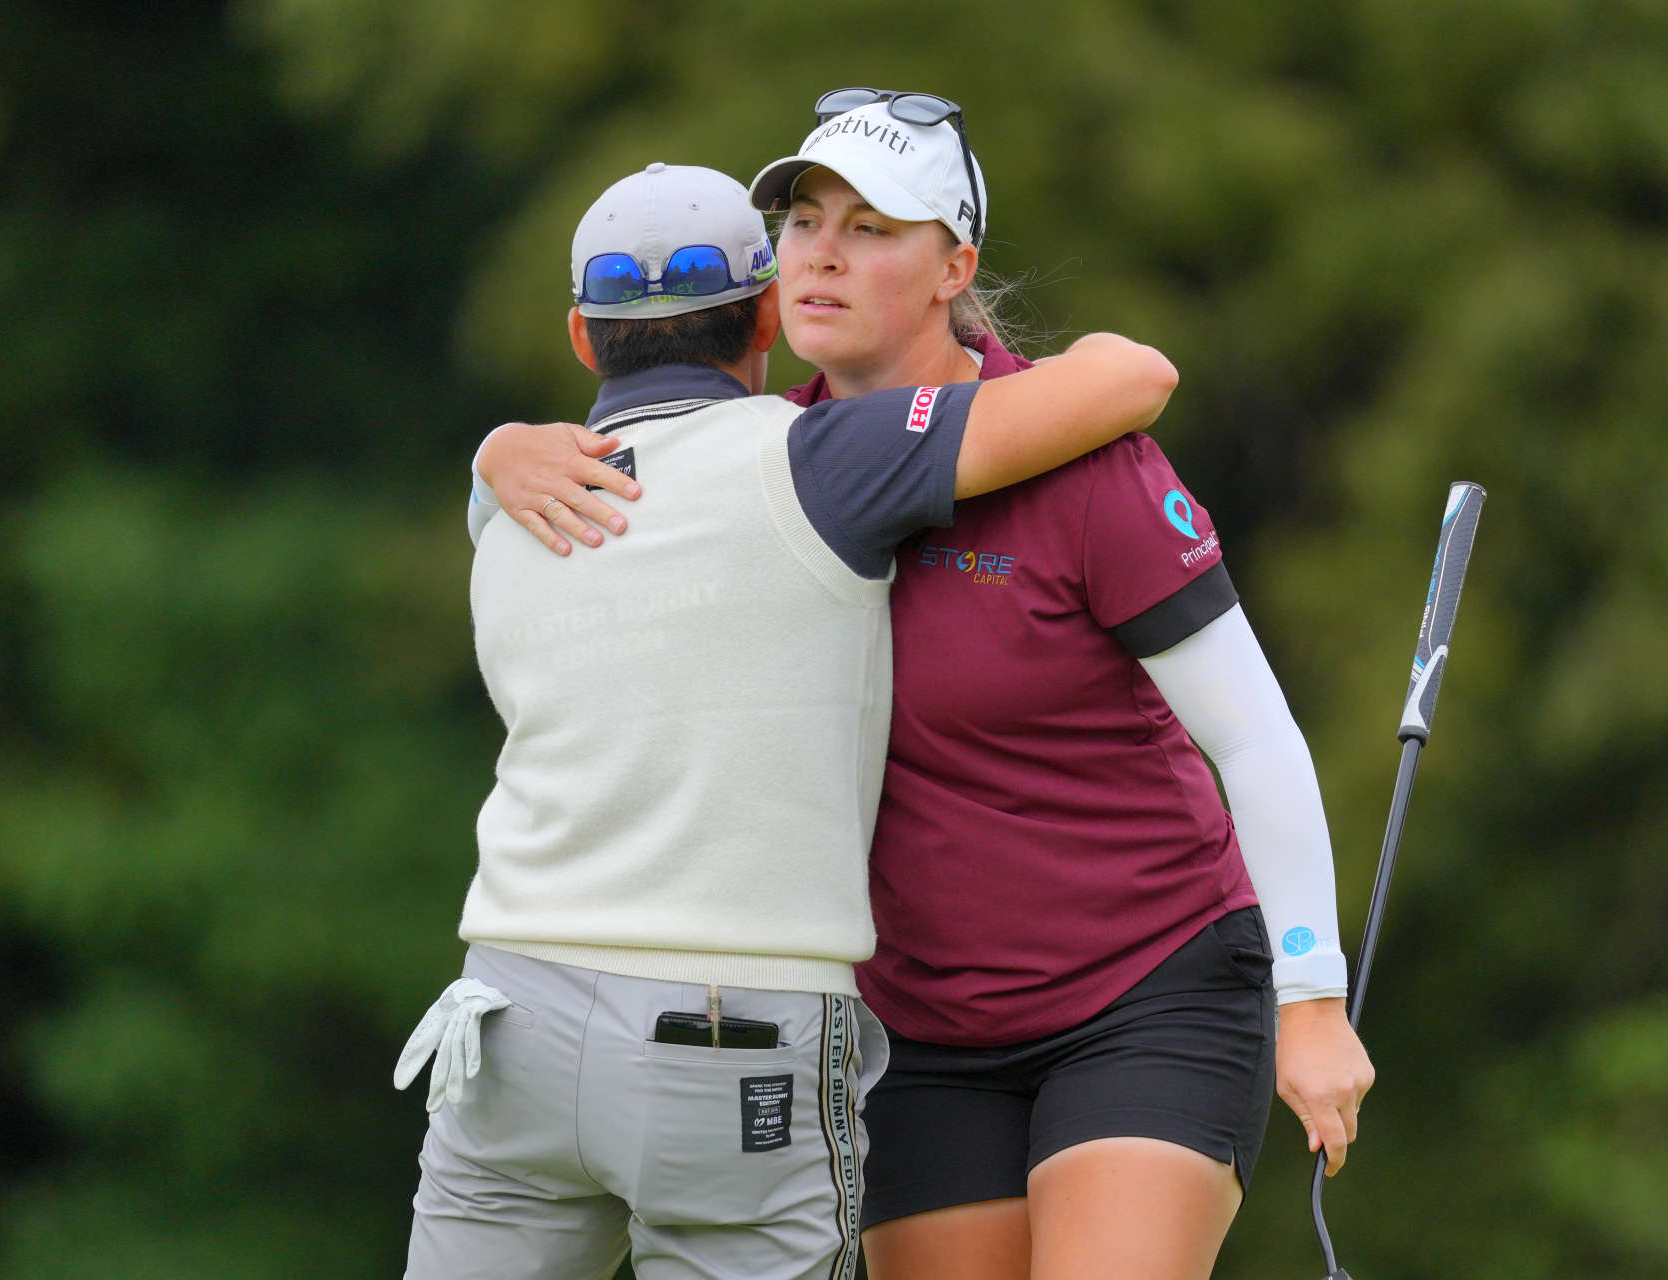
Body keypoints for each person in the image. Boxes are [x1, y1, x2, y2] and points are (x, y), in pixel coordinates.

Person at [473, 90, 1374, 1280]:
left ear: (957, 264)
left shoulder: (1085, 461)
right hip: (916, 1032)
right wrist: (498, 454)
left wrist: (1311, 993)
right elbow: (580, 524)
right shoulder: (759, 464)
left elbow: (1254, 738)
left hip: (1146, 987)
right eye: (800, 223)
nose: (823, 254)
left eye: (874, 227)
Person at [394, 158, 1179, 1280]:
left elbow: (493, 482)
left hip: (508, 1009)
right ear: (767, 311)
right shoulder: (819, 461)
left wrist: (489, 447)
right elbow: (1125, 383)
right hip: (729, 1029)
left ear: (581, 338)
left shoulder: (509, 512)